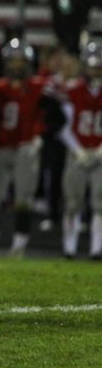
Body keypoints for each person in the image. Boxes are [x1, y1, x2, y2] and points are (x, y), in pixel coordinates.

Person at [0, 39, 64, 257]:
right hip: (0, 147)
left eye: (21, 61)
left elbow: (57, 118)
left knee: (23, 199)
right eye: (13, 61)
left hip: (25, 147)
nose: (17, 66)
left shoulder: (40, 87)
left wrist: (39, 136)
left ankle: (19, 246)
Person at [59, 43, 102, 260]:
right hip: (77, 151)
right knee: (73, 202)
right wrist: (78, 151)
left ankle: (96, 249)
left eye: (99, 67)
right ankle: (69, 248)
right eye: (93, 67)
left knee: (100, 204)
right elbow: (62, 127)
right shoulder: (73, 90)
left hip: (100, 154)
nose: (95, 71)